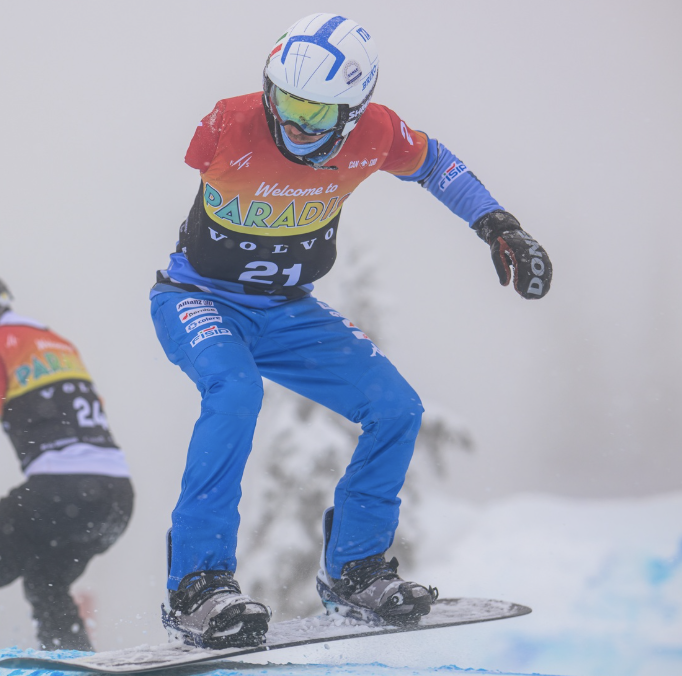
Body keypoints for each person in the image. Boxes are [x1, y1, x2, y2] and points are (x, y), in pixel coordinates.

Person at [150, 13, 552, 649]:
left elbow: (438, 165)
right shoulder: (229, 124)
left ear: (354, 110)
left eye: (314, 113)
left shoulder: (377, 132)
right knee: (234, 393)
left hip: (289, 311)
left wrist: (498, 224)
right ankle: (198, 587)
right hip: (198, 299)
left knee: (397, 408)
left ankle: (356, 571)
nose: (294, 124)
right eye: (285, 102)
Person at [0, 269, 133, 650]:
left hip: (60, 491)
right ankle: (73, 661)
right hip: (116, 498)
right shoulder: (58, 343)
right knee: (46, 581)